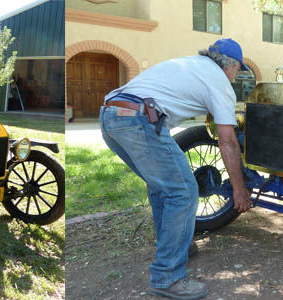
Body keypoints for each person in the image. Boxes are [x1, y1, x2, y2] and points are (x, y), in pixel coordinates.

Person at [99, 38, 252, 299]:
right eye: (238, 70)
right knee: (182, 191)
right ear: (231, 65)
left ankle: (174, 246)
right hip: (138, 120)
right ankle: (167, 278)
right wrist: (240, 189)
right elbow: (226, 140)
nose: (236, 76)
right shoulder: (219, 82)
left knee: (163, 187)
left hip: (110, 115)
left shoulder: (191, 64)